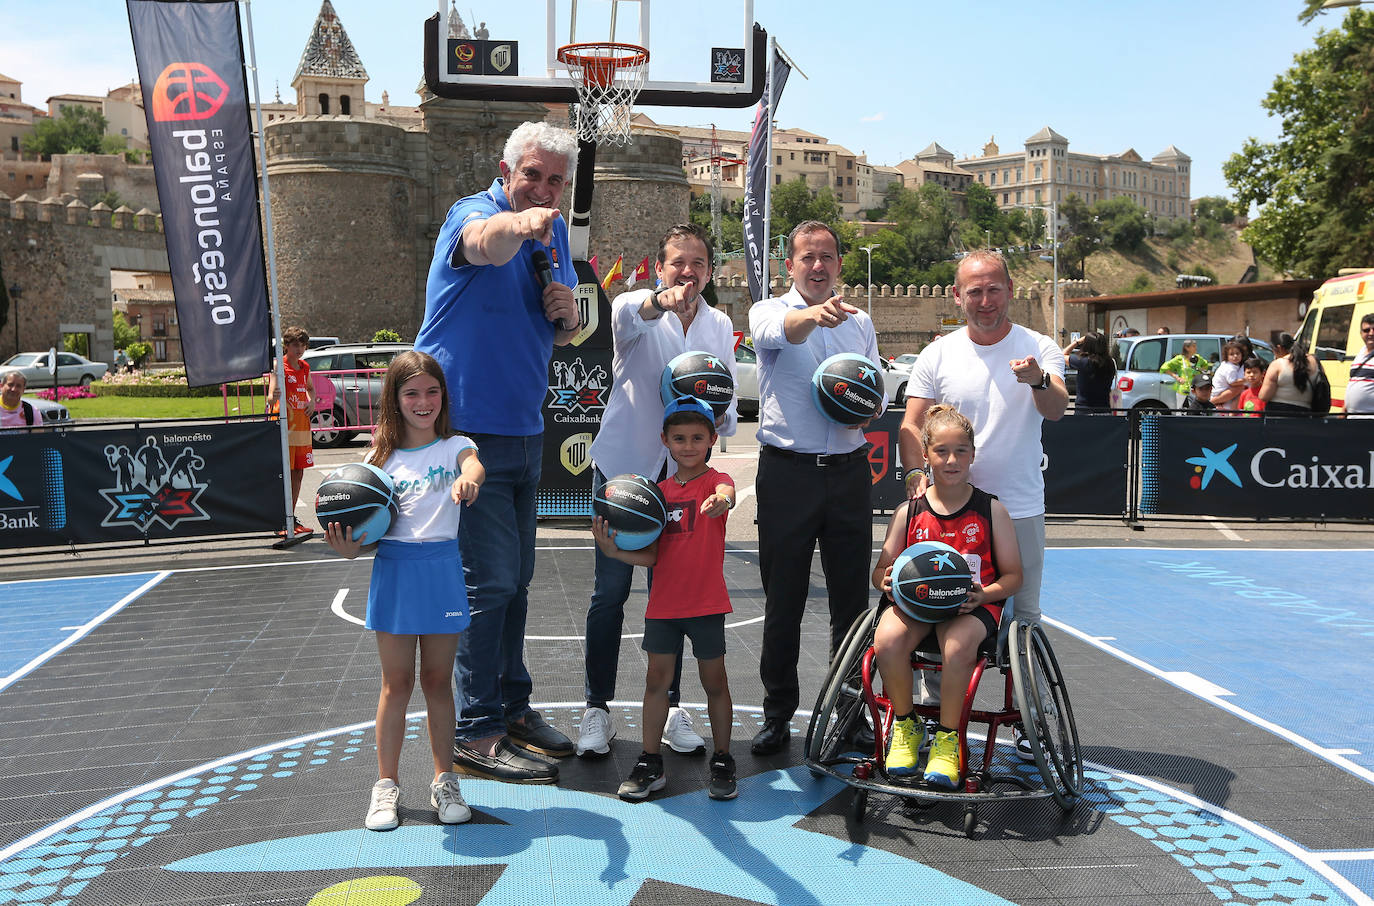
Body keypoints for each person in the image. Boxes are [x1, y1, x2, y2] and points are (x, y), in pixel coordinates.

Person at [414, 121, 583, 783]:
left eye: (555, 181)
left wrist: (568, 315)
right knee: (491, 585)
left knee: (517, 586)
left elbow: (563, 332)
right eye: (533, 175)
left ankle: (512, 708)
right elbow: (485, 246)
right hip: (465, 436)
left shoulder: (556, 232)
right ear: (505, 170)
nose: (543, 189)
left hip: (522, 426)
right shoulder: (475, 213)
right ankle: (477, 731)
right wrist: (526, 223)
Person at [899, 249, 1066, 758]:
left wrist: (1037, 379)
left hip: (1016, 507)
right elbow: (911, 424)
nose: (985, 300)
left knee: (1025, 616)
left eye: (994, 288)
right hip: (947, 508)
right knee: (933, 608)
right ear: (957, 296)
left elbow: (1057, 409)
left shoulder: (1039, 347)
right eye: (975, 290)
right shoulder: (939, 354)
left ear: (1010, 290)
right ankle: (929, 715)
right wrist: (914, 474)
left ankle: (1028, 718)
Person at [578, 223, 737, 759]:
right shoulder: (633, 306)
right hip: (626, 472)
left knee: (670, 597)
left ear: (710, 271)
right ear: (660, 266)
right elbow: (632, 315)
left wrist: (709, 414)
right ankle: (596, 709)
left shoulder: (719, 323)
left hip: (682, 478)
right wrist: (657, 301)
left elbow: (727, 407)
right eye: (677, 263)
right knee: (612, 592)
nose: (687, 272)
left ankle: (671, 709)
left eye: (697, 263)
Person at [323, 351, 485, 831]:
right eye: (411, 392)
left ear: (443, 396)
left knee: (438, 681)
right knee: (396, 685)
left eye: (432, 391)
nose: (423, 401)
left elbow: (473, 467)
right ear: (395, 398)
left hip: (441, 570)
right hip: (394, 571)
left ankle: (444, 780)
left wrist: (467, 481)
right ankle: (386, 786)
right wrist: (345, 547)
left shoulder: (456, 445)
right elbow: (360, 539)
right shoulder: (379, 459)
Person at [748, 220, 884, 757]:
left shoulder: (860, 322)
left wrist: (864, 401)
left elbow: (872, 394)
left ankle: (849, 712)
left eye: (827, 256)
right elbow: (783, 332)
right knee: (785, 600)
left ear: (839, 264)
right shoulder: (768, 310)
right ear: (791, 265)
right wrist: (811, 315)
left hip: (849, 471)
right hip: (788, 472)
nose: (818, 266)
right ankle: (778, 713)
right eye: (808, 257)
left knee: (851, 604)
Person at [590, 397, 738, 801]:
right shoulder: (657, 494)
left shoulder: (715, 482)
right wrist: (615, 551)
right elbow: (654, 555)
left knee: (715, 683)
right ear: (665, 441)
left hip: (706, 603)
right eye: (679, 438)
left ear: (711, 439)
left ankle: (723, 759)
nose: (688, 446)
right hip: (665, 607)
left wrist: (722, 500)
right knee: (656, 681)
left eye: (696, 438)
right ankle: (650, 761)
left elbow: (728, 490)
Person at [872, 405, 1021, 788]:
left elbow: (1014, 577)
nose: (951, 460)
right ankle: (906, 724)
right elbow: (879, 571)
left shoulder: (991, 510)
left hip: (969, 606)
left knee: (956, 646)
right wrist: (885, 582)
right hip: (917, 603)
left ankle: (948, 738)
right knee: (886, 640)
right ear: (925, 455)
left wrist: (984, 593)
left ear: (973, 454)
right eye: (941, 451)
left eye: (961, 451)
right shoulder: (909, 511)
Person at [267, 326, 316, 535]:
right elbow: (270, 396)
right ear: (286, 345)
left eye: (302, 345)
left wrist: (312, 402)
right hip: (285, 426)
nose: (299, 349)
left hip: (302, 427)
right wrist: (273, 396)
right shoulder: (279, 365)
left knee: (298, 474)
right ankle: (280, 519)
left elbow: (311, 389)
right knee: (284, 474)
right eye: (295, 345)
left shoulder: (305, 367)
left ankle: (291, 518)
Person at [1259, 332, 1320, 415]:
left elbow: (1264, 396)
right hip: (1306, 413)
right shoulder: (1315, 362)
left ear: (1279, 348)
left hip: (1278, 414)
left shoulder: (1277, 364)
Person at [1061, 331, 1115, 411]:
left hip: (1084, 409)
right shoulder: (1110, 362)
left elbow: (1062, 355)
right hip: (1104, 408)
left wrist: (1077, 342)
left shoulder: (1083, 361)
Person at [1159, 339, 1210, 407]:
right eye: (1194, 346)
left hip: (1196, 388)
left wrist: (1199, 372)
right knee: (1180, 408)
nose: (1196, 348)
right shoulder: (1180, 359)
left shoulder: (1198, 358)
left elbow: (1205, 366)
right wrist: (1177, 378)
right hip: (1183, 388)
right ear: (1187, 348)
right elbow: (1164, 367)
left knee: (1196, 407)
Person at [1344, 314, 1374, 415]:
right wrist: (1344, 409)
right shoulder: (1360, 353)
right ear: (1361, 333)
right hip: (1353, 418)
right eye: (1366, 330)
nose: (1371, 333)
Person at [1210, 340, 1248, 412]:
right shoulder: (1230, 368)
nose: (1235, 356)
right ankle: (1232, 413)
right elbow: (1232, 382)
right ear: (1226, 356)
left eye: (1237, 353)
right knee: (1240, 387)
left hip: (1220, 391)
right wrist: (1245, 380)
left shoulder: (1230, 365)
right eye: (1231, 354)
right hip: (1219, 393)